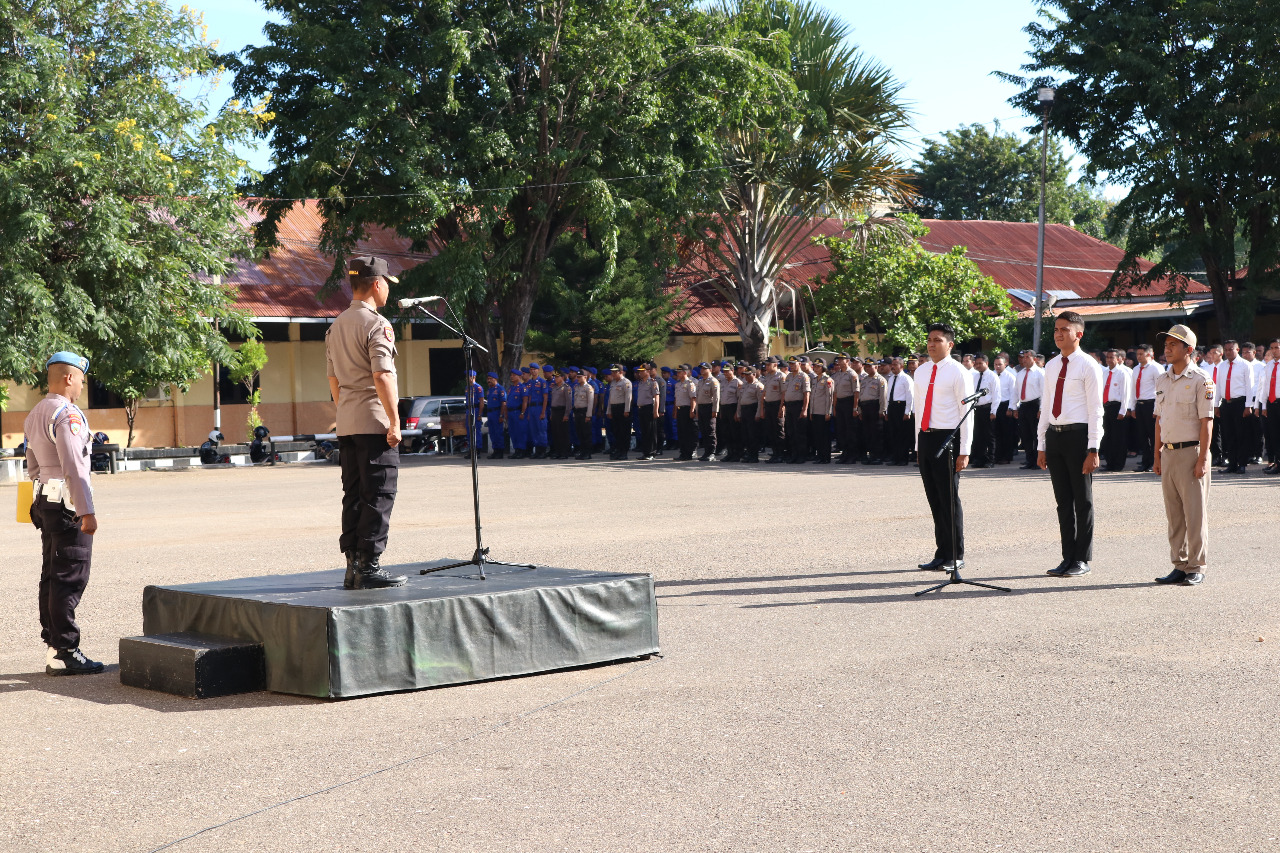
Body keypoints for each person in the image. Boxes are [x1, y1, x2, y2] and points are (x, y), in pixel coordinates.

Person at [325, 255, 407, 590]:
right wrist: (395, 421)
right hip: (374, 422)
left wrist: (346, 410)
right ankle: (369, 566)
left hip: (347, 421)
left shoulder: (336, 325)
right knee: (379, 493)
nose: (387, 288)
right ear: (376, 283)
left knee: (354, 495)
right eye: (386, 282)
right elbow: (382, 373)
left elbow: (333, 381)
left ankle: (353, 567)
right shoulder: (376, 324)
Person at [23, 351, 104, 675]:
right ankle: (66, 650)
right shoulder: (66, 414)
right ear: (69, 377)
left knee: (51, 575)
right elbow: (74, 467)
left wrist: (42, 493)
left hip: (46, 499)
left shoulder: (37, 411)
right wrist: (87, 511)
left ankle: (54, 645)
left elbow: (31, 463)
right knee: (70, 576)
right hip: (68, 504)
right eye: (82, 379)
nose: (83, 386)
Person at [1037, 311, 1105, 578]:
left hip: (1079, 437)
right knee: (1063, 501)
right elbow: (1045, 406)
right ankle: (1067, 557)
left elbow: (1095, 410)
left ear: (1079, 334)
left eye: (1064, 329)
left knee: (1082, 501)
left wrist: (1093, 448)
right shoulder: (1052, 365)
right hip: (1055, 435)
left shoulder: (1088, 365)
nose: (1058, 334)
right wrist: (1041, 443)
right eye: (1055, 329)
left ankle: (1082, 559)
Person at [1152, 325, 1215, 586]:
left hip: (1191, 452)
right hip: (1168, 452)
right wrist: (1156, 455)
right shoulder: (1162, 380)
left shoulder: (1201, 380)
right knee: (1174, 513)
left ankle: (1196, 565)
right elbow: (1158, 420)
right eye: (1165, 345)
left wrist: (1202, 459)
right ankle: (1179, 564)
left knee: (1195, 513)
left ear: (1188, 350)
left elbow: (1206, 422)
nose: (1166, 349)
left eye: (1173, 345)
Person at [914, 325, 974, 573]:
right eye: (929, 340)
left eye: (937, 340)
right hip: (926, 437)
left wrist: (965, 450)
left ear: (950, 345)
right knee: (934, 499)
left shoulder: (959, 372)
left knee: (949, 499)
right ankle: (941, 553)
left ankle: (955, 554)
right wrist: (917, 445)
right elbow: (919, 409)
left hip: (948, 439)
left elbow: (967, 413)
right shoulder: (921, 371)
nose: (931, 344)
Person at [1216, 340, 1254, 474]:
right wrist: (1216, 405)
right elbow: (1219, 386)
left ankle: (1242, 464)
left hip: (1240, 403)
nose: (1228, 352)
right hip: (1226, 403)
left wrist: (1248, 406)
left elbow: (1250, 387)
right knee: (1228, 435)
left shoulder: (1245, 365)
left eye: (1230, 349)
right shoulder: (1221, 366)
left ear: (1237, 350)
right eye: (1226, 350)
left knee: (1241, 435)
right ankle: (1232, 464)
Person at [1128, 344, 1164, 472]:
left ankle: (1156, 461)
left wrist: (1157, 408)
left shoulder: (1156, 368)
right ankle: (1146, 462)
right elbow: (1133, 389)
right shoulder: (1136, 369)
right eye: (1137, 354)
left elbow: (1160, 390)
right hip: (1140, 404)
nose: (1138, 356)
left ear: (1149, 354)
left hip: (1151, 404)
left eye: (1141, 354)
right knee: (1142, 436)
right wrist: (1132, 407)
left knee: (1154, 436)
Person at [1099, 349, 1132, 471]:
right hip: (1105, 406)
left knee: (1118, 438)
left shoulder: (1122, 373)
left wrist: (1123, 410)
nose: (1109, 360)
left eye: (1112, 357)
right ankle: (1109, 462)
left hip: (1117, 406)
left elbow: (1126, 393)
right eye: (1107, 357)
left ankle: (1118, 464)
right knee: (1107, 436)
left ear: (1118, 359)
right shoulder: (1104, 372)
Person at [1012, 350, 1044, 469]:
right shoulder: (1020, 374)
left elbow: (1044, 392)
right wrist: (1014, 407)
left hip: (1035, 405)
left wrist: (1041, 409)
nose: (1024, 359)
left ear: (1034, 359)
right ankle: (1029, 460)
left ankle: (1037, 460)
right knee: (1025, 435)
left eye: (1027, 357)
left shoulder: (1040, 373)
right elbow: (1015, 392)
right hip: (1024, 405)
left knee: (1036, 434)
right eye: (1023, 357)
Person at [969, 353, 1001, 468]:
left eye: (980, 363)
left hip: (988, 408)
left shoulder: (992, 376)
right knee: (978, 435)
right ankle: (979, 458)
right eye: (976, 363)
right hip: (977, 408)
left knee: (989, 436)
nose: (977, 365)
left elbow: (997, 395)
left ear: (986, 363)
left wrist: (993, 411)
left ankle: (990, 459)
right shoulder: (975, 376)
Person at [884, 357, 914, 466]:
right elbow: (888, 396)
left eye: (895, 364)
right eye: (892, 364)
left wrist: (907, 411)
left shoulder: (906, 378)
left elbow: (910, 396)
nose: (892, 366)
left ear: (901, 366)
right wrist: (887, 411)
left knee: (902, 434)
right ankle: (895, 457)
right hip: (892, 407)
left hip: (901, 406)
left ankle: (903, 458)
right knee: (893, 434)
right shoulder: (891, 378)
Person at [831, 353, 861, 464]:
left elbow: (856, 392)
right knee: (841, 430)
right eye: (838, 359)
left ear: (847, 361)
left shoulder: (852, 374)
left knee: (850, 431)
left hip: (849, 402)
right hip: (839, 403)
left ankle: (852, 455)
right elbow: (835, 392)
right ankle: (845, 454)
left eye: (841, 359)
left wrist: (855, 408)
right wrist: (834, 407)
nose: (839, 361)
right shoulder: (837, 374)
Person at [782, 357, 811, 463]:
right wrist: (782, 406)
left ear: (799, 364)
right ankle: (794, 455)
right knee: (791, 432)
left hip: (798, 406)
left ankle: (801, 456)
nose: (791, 365)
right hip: (789, 406)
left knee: (800, 433)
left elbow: (806, 394)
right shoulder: (789, 376)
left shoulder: (803, 376)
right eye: (790, 364)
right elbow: (785, 392)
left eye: (794, 364)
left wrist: (804, 409)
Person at [858, 358, 887, 464]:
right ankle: (871, 455)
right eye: (866, 366)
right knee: (867, 433)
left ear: (876, 367)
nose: (867, 368)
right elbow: (861, 395)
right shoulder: (864, 380)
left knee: (877, 433)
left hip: (875, 407)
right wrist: (860, 410)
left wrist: (882, 410)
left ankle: (878, 456)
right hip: (865, 408)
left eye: (869, 366)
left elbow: (883, 396)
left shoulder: (880, 379)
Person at [809, 359, 836, 463]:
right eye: (814, 366)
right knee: (817, 435)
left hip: (823, 411)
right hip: (815, 411)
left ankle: (825, 457)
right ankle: (820, 456)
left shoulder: (828, 380)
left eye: (818, 366)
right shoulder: (815, 379)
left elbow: (829, 397)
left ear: (823, 367)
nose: (815, 368)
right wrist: (811, 411)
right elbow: (813, 397)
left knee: (824, 436)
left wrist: (828, 412)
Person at [1259, 339, 1280, 474]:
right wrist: (1264, 405)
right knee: (1274, 435)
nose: (1274, 350)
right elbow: (1265, 387)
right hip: (1272, 403)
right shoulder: (1269, 365)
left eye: (1277, 347)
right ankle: (1278, 463)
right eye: (1272, 348)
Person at [761, 357, 787, 462]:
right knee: (771, 430)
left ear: (775, 365)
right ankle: (775, 453)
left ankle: (781, 454)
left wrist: (781, 408)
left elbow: (783, 393)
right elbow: (765, 392)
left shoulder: (781, 376)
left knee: (778, 430)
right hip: (769, 405)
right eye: (766, 365)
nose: (766, 367)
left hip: (777, 405)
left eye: (768, 365)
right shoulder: (767, 376)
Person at [605, 364, 634, 460]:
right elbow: (610, 398)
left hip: (623, 408)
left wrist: (627, 410)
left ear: (620, 372)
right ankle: (618, 450)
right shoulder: (613, 383)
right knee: (616, 431)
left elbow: (628, 397)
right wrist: (609, 410)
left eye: (615, 372)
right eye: (612, 372)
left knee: (624, 432)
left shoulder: (626, 382)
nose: (612, 374)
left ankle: (624, 452)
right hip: (614, 408)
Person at [737, 367, 765, 463]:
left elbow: (760, 402)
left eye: (748, 374)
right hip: (744, 410)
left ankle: (754, 455)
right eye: (745, 374)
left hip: (752, 410)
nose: (746, 376)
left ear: (754, 374)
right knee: (745, 435)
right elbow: (740, 400)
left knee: (753, 435)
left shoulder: (758, 385)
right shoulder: (744, 385)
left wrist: (758, 414)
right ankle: (748, 454)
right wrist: (738, 413)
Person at [993, 354, 1017, 464]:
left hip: (1005, 406)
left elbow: (1013, 394)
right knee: (996, 433)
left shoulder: (1010, 376)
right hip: (995, 406)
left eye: (1000, 364)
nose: (997, 366)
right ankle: (997, 456)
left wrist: (1011, 408)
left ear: (1005, 364)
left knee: (1006, 433)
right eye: (996, 364)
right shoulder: (992, 375)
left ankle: (1007, 457)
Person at [635, 364, 662, 461]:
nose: (640, 373)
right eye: (639, 371)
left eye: (642, 371)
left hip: (649, 408)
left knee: (651, 431)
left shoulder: (652, 382)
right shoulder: (641, 383)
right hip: (641, 408)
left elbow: (656, 397)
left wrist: (656, 410)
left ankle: (651, 452)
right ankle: (645, 452)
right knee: (644, 431)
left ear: (648, 371)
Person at [695, 362, 721, 461]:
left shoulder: (713, 381)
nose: (701, 370)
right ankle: (706, 452)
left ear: (709, 370)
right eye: (701, 368)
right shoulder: (700, 382)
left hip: (709, 407)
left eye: (704, 368)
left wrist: (715, 410)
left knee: (710, 431)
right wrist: (697, 410)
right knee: (704, 430)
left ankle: (711, 453)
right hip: (701, 408)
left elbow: (716, 398)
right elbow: (698, 398)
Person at [717, 361, 742, 461]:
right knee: (726, 432)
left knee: (735, 432)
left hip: (733, 408)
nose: (725, 373)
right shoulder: (722, 382)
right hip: (724, 408)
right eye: (724, 372)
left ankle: (737, 453)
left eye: (727, 371)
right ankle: (730, 452)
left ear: (732, 371)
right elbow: (721, 398)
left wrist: (737, 412)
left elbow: (739, 399)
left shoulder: (738, 382)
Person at [674, 364, 698, 460]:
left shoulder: (690, 383)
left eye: (679, 372)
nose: (677, 374)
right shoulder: (677, 384)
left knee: (687, 432)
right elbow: (676, 399)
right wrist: (675, 411)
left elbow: (693, 398)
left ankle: (688, 453)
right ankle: (682, 453)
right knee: (681, 432)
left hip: (687, 409)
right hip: (679, 409)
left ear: (685, 373)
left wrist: (692, 410)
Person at [547, 370, 572, 459]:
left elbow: (569, 402)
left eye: (557, 377)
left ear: (562, 377)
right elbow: (552, 401)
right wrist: (551, 413)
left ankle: (564, 452)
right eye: (555, 377)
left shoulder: (566, 387)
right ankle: (557, 452)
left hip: (562, 411)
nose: (555, 378)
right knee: (556, 433)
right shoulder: (554, 387)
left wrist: (566, 414)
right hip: (554, 411)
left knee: (563, 433)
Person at [482, 372, 507, 459]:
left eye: (490, 379)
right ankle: (495, 450)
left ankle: (500, 452)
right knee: (492, 433)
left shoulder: (500, 389)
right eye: (488, 379)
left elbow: (503, 403)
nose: (488, 381)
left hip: (497, 412)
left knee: (498, 433)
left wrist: (501, 415)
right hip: (490, 413)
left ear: (495, 379)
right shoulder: (489, 390)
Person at [507, 369, 528, 459]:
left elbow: (525, 401)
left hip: (518, 412)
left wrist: (523, 412)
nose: (511, 376)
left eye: (514, 375)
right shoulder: (511, 388)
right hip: (511, 412)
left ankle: (521, 450)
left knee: (520, 432)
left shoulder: (522, 388)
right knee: (513, 432)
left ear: (519, 377)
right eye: (511, 375)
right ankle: (516, 450)